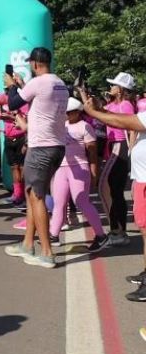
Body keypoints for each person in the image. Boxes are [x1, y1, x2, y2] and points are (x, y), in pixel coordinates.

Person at [3, 47, 69, 268]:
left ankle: (47, 252)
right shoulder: (59, 83)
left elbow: (13, 104)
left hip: (41, 147)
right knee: (34, 194)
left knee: (37, 196)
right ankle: (27, 243)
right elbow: (41, 103)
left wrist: (12, 85)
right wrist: (22, 86)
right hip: (57, 146)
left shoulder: (39, 82)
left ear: (35, 64)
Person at [79, 88, 146, 302]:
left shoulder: (128, 106)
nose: (111, 88)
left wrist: (95, 112)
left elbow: (125, 123)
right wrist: (92, 104)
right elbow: (114, 115)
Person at [48, 97, 107, 252]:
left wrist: (94, 171)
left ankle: (101, 236)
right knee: (59, 203)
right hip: (62, 168)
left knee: (82, 202)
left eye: (69, 112)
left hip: (79, 168)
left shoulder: (85, 127)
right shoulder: (62, 125)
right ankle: (53, 235)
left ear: (77, 112)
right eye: (64, 112)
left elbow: (92, 152)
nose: (66, 115)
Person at [99, 72, 137, 246]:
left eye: (114, 85)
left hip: (120, 147)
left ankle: (118, 230)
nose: (111, 87)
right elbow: (99, 114)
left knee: (107, 188)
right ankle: (118, 230)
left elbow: (131, 128)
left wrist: (130, 150)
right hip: (112, 147)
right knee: (113, 191)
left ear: (121, 89)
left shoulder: (126, 105)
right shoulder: (112, 104)